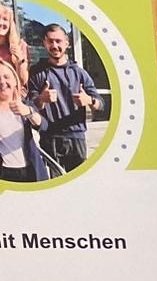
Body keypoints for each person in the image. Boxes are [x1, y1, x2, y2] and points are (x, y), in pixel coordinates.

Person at [26, 24, 100, 175]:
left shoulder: (79, 73)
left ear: (67, 43)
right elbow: (30, 108)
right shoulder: (36, 73)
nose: (54, 45)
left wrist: (89, 101)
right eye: (50, 41)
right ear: (44, 43)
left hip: (76, 138)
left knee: (80, 185)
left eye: (58, 41)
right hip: (49, 139)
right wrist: (41, 98)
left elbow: (101, 104)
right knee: (54, 187)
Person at [0, 60, 46, 182]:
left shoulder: (25, 104)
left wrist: (28, 112)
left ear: (15, 80)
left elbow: (43, 125)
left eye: (6, 77)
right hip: (4, 173)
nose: (2, 82)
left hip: (31, 170)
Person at [0, 6, 27, 90]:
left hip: (13, 95)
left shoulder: (20, 45)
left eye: (5, 19)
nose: (1, 23)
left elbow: (23, 81)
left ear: (10, 23)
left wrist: (19, 61)